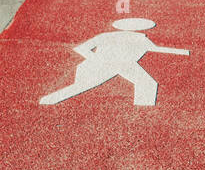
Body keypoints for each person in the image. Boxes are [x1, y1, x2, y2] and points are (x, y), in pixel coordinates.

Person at [38, 17, 190, 108]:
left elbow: (155, 49)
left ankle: (143, 110)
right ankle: (50, 100)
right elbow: (82, 48)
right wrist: (98, 60)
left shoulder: (139, 38)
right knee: (82, 86)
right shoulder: (108, 36)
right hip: (102, 64)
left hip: (124, 64)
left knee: (147, 83)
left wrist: (182, 52)